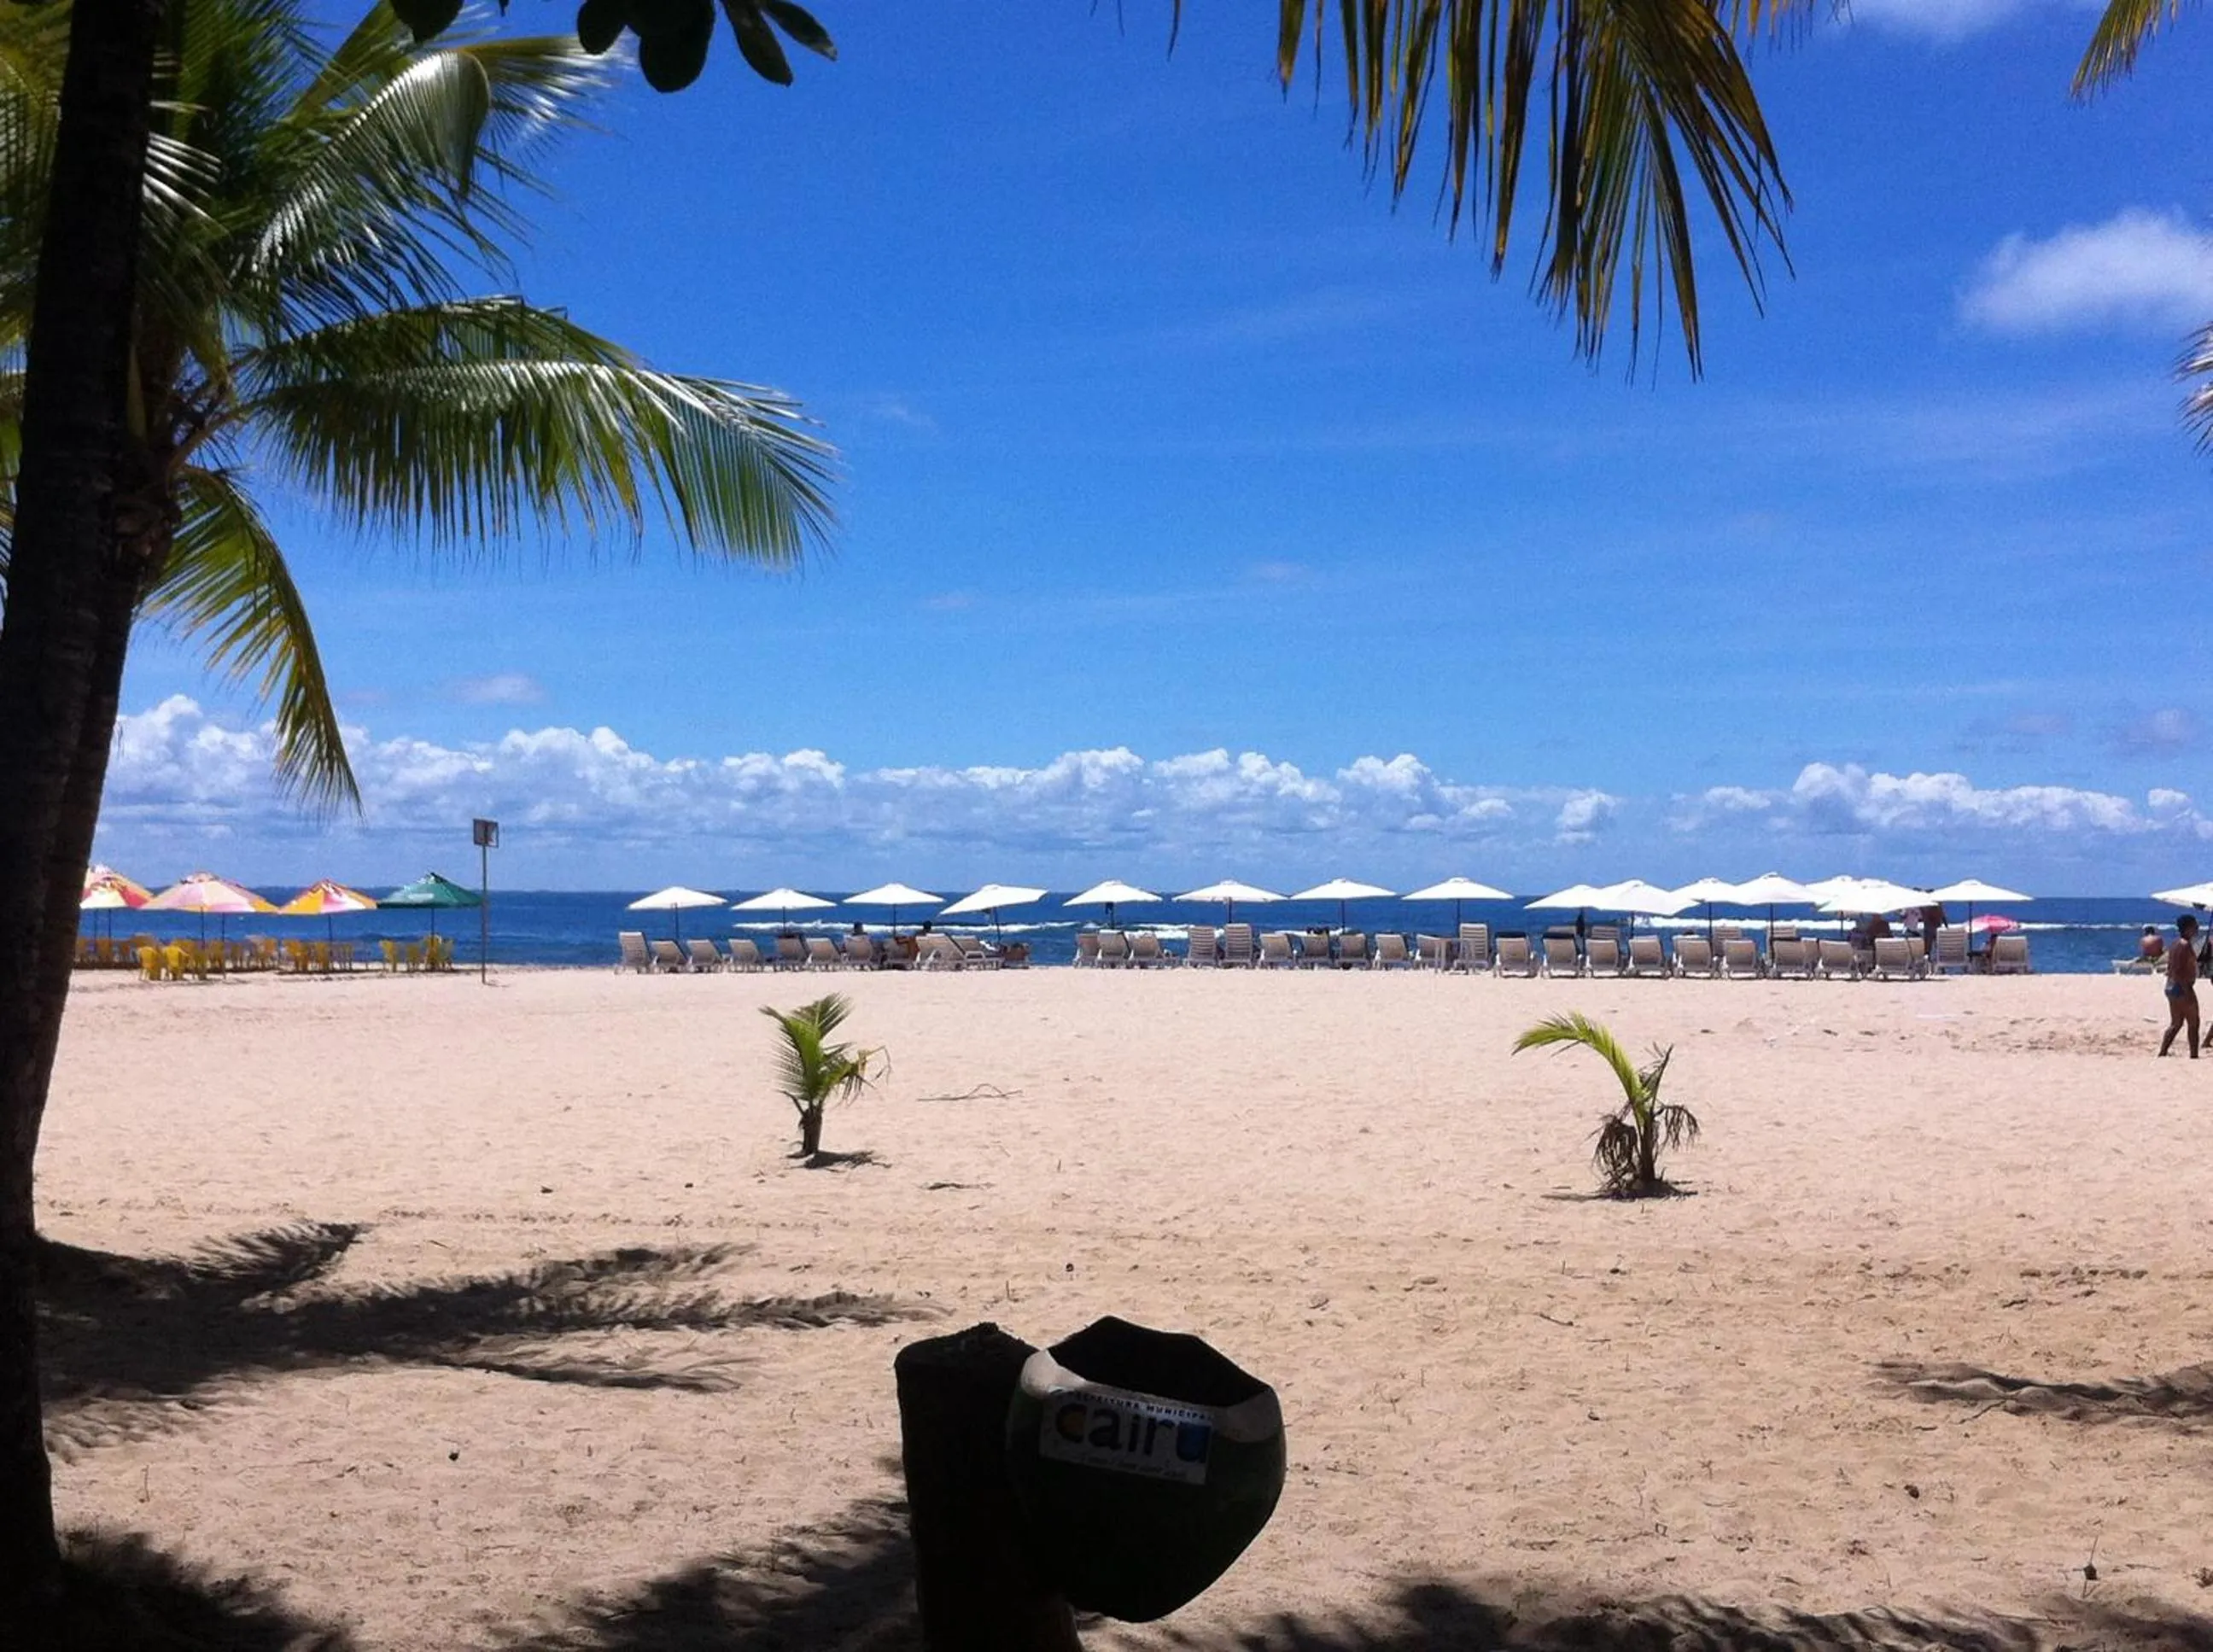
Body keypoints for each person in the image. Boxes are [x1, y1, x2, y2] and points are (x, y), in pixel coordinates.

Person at [2159, 916, 2200, 1058]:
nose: (2198, 928)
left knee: (2176, 1023)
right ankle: (2194, 1055)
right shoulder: (2184, 945)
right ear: (2188, 927)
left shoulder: (2176, 943)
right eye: (2195, 925)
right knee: (2194, 1022)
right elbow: (2178, 970)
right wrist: (2187, 991)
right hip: (2182, 987)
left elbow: (2172, 968)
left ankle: (2163, 1052)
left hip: (2171, 986)